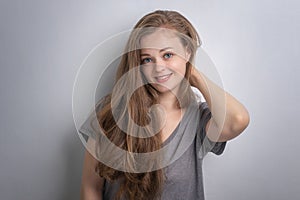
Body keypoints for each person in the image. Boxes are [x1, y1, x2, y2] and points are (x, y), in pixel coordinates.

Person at [79, 10, 250, 200]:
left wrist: (192, 74)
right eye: (148, 59)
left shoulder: (199, 120)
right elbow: (91, 188)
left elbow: (238, 119)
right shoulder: (111, 112)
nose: (158, 67)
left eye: (167, 55)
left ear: (187, 52)